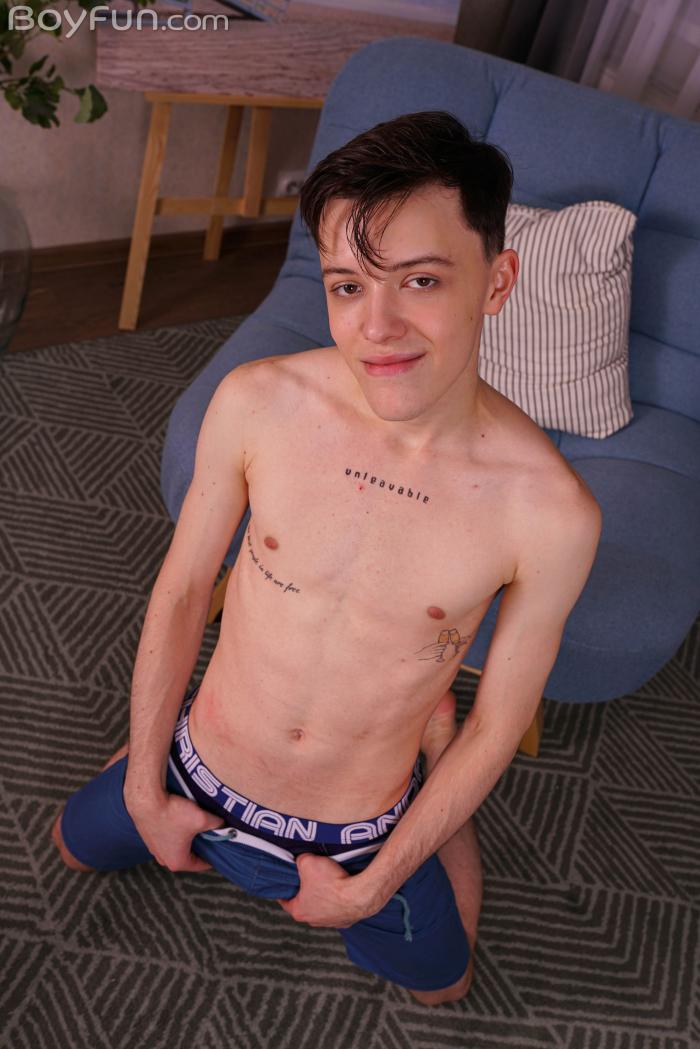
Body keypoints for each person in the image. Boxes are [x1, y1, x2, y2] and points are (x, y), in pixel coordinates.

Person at [51, 110, 602, 1006]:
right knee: (68, 847)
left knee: (446, 985)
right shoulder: (257, 402)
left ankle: (431, 772)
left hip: (361, 831)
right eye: (348, 286)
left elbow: (500, 723)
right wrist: (147, 785)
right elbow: (183, 591)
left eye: (420, 279)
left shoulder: (552, 513)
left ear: (497, 281)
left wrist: (375, 884)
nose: (376, 327)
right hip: (196, 765)